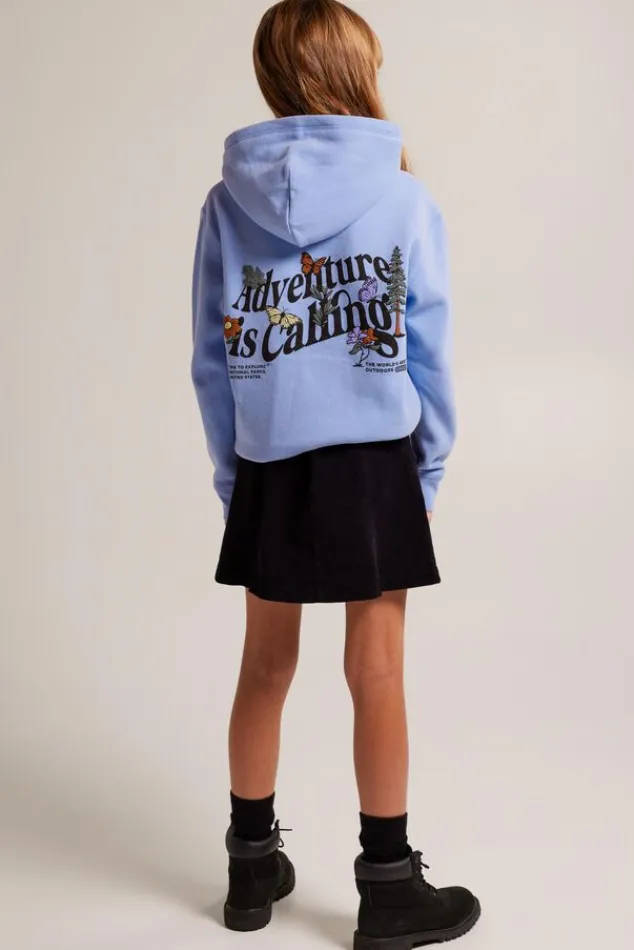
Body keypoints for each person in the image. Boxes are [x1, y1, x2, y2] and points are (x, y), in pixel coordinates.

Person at [191, 1, 480, 947]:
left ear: (274, 74)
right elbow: (430, 345)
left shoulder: (226, 201)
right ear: (357, 72)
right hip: (372, 458)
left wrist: (236, 477)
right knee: (378, 666)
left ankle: (248, 871)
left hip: (269, 455)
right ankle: (388, 888)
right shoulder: (401, 196)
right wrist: (428, 468)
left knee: (264, 664)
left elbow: (210, 355)